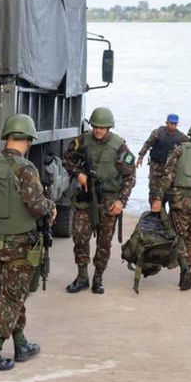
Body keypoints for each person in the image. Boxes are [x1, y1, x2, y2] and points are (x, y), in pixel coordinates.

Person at [0, 114, 56, 372]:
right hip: (19, 246)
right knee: (12, 297)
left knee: (12, 293)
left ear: (7, 137)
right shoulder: (26, 169)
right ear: (28, 140)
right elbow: (36, 206)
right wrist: (51, 208)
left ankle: (21, 345)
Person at [62, 106, 136, 294]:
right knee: (79, 237)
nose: (98, 130)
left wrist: (121, 202)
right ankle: (82, 277)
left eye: (102, 127)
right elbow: (66, 158)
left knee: (104, 242)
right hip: (86, 198)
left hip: (109, 200)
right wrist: (78, 173)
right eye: (95, 126)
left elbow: (130, 177)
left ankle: (98, 277)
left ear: (109, 128)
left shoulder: (119, 147)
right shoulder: (82, 141)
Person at [152, 119, 191, 291]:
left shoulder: (180, 150)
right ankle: (187, 270)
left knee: (178, 235)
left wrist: (158, 199)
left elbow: (167, 177)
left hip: (180, 200)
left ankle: (185, 268)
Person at [137, 114, 187, 203]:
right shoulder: (158, 132)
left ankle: (164, 210)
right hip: (156, 166)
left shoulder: (180, 137)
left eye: (175, 124)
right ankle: (154, 211)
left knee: (168, 191)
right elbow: (147, 144)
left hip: (170, 169)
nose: (173, 126)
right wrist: (141, 157)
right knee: (153, 190)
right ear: (166, 123)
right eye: (171, 123)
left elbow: (190, 145)